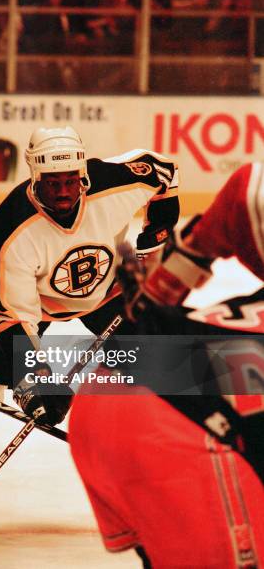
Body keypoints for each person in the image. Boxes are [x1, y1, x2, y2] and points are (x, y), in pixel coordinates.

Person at [68, 162, 264, 568]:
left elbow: (239, 201)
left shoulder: (253, 183)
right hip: (171, 428)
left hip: (105, 397)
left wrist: (153, 300)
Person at [0, 125, 179, 427]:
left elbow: (164, 170)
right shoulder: (12, 224)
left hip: (107, 294)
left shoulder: (113, 184)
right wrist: (36, 380)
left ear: (82, 174)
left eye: (70, 181)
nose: (63, 192)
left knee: (160, 361)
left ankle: (134, 437)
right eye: (52, 183)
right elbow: (12, 316)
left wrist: (156, 239)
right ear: (36, 177)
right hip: (39, 306)